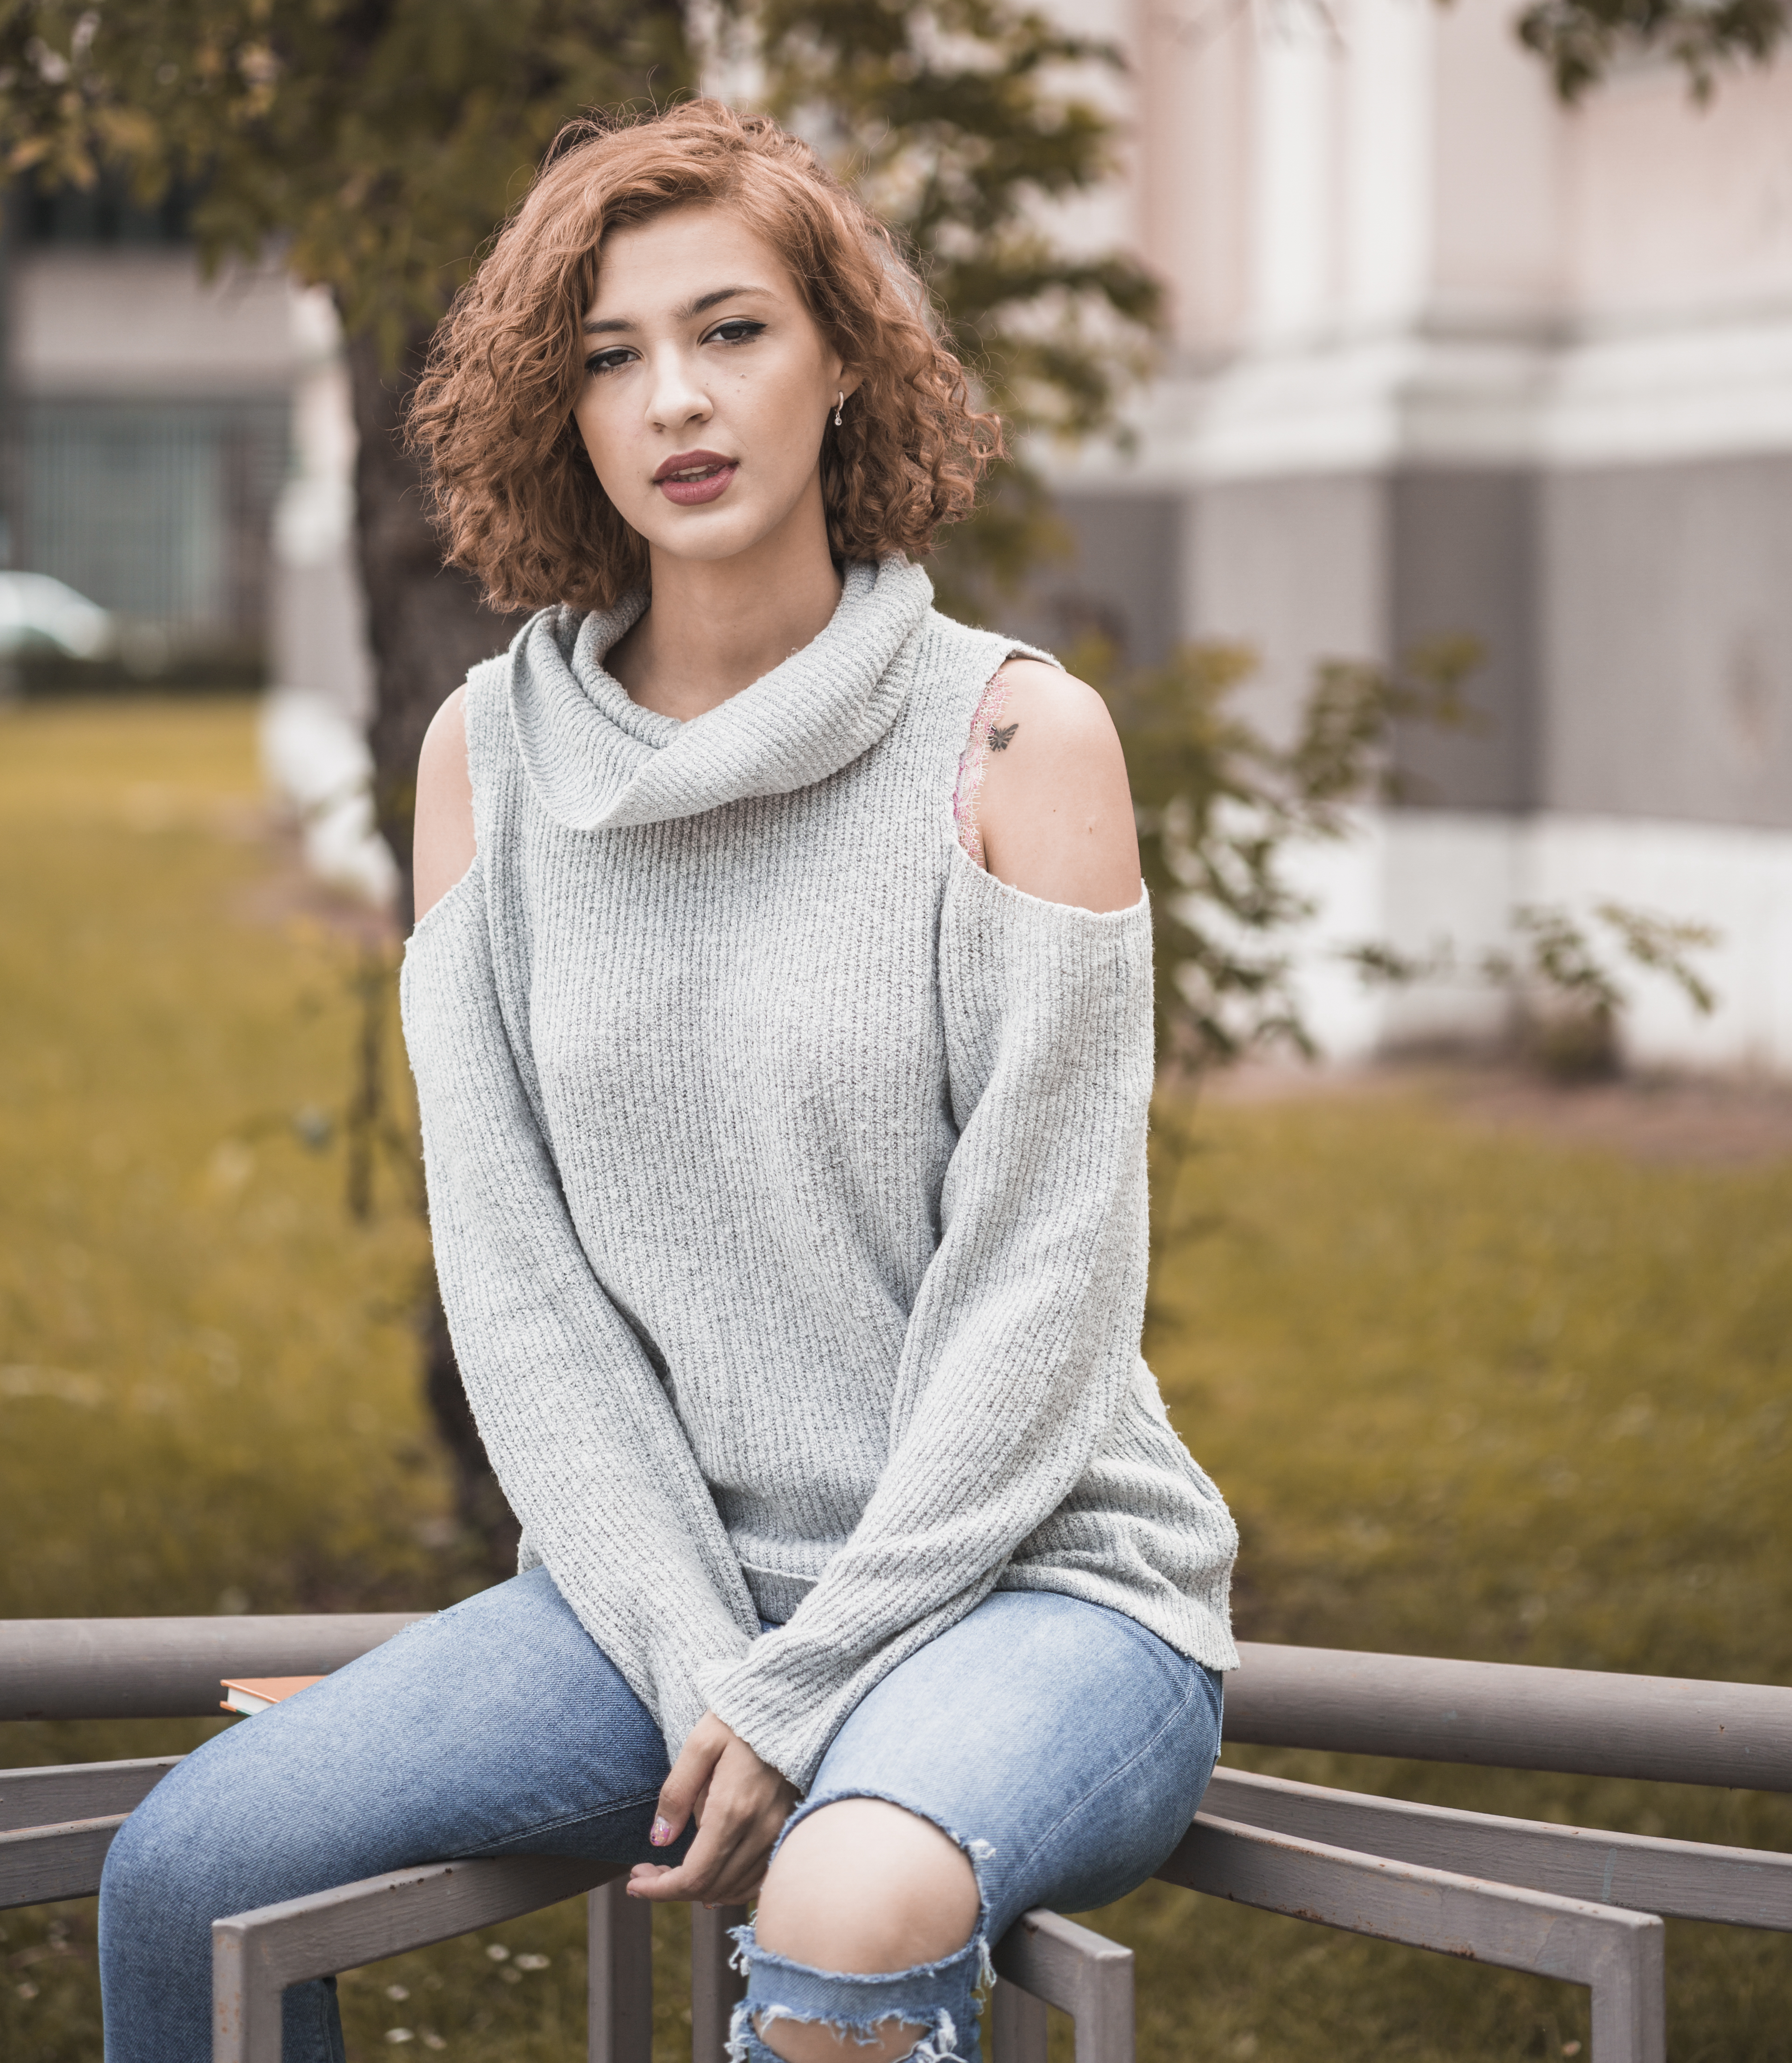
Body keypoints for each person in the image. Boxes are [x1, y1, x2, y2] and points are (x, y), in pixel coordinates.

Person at [99, 102, 1238, 2063]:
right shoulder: (488, 761)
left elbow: (1044, 1296)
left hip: (1034, 1581)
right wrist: (714, 1662)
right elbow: (518, 1288)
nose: (675, 402)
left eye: (732, 332)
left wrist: (801, 1690)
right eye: (611, 356)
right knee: (187, 1875)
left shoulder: (1013, 742)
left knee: (849, 1895)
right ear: (564, 411)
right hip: (656, 1600)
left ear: (843, 359)